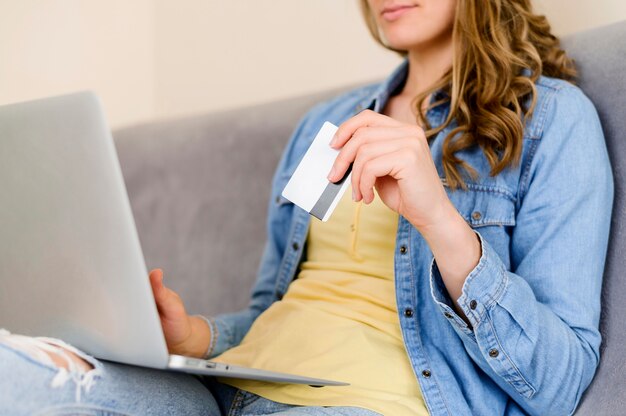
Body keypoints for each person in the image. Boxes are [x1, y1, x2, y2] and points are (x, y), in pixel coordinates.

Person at [0, 0, 614, 415]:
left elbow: (558, 383)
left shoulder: (551, 121)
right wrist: (197, 336)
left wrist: (439, 219)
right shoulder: (326, 125)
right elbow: (277, 310)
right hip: (223, 391)